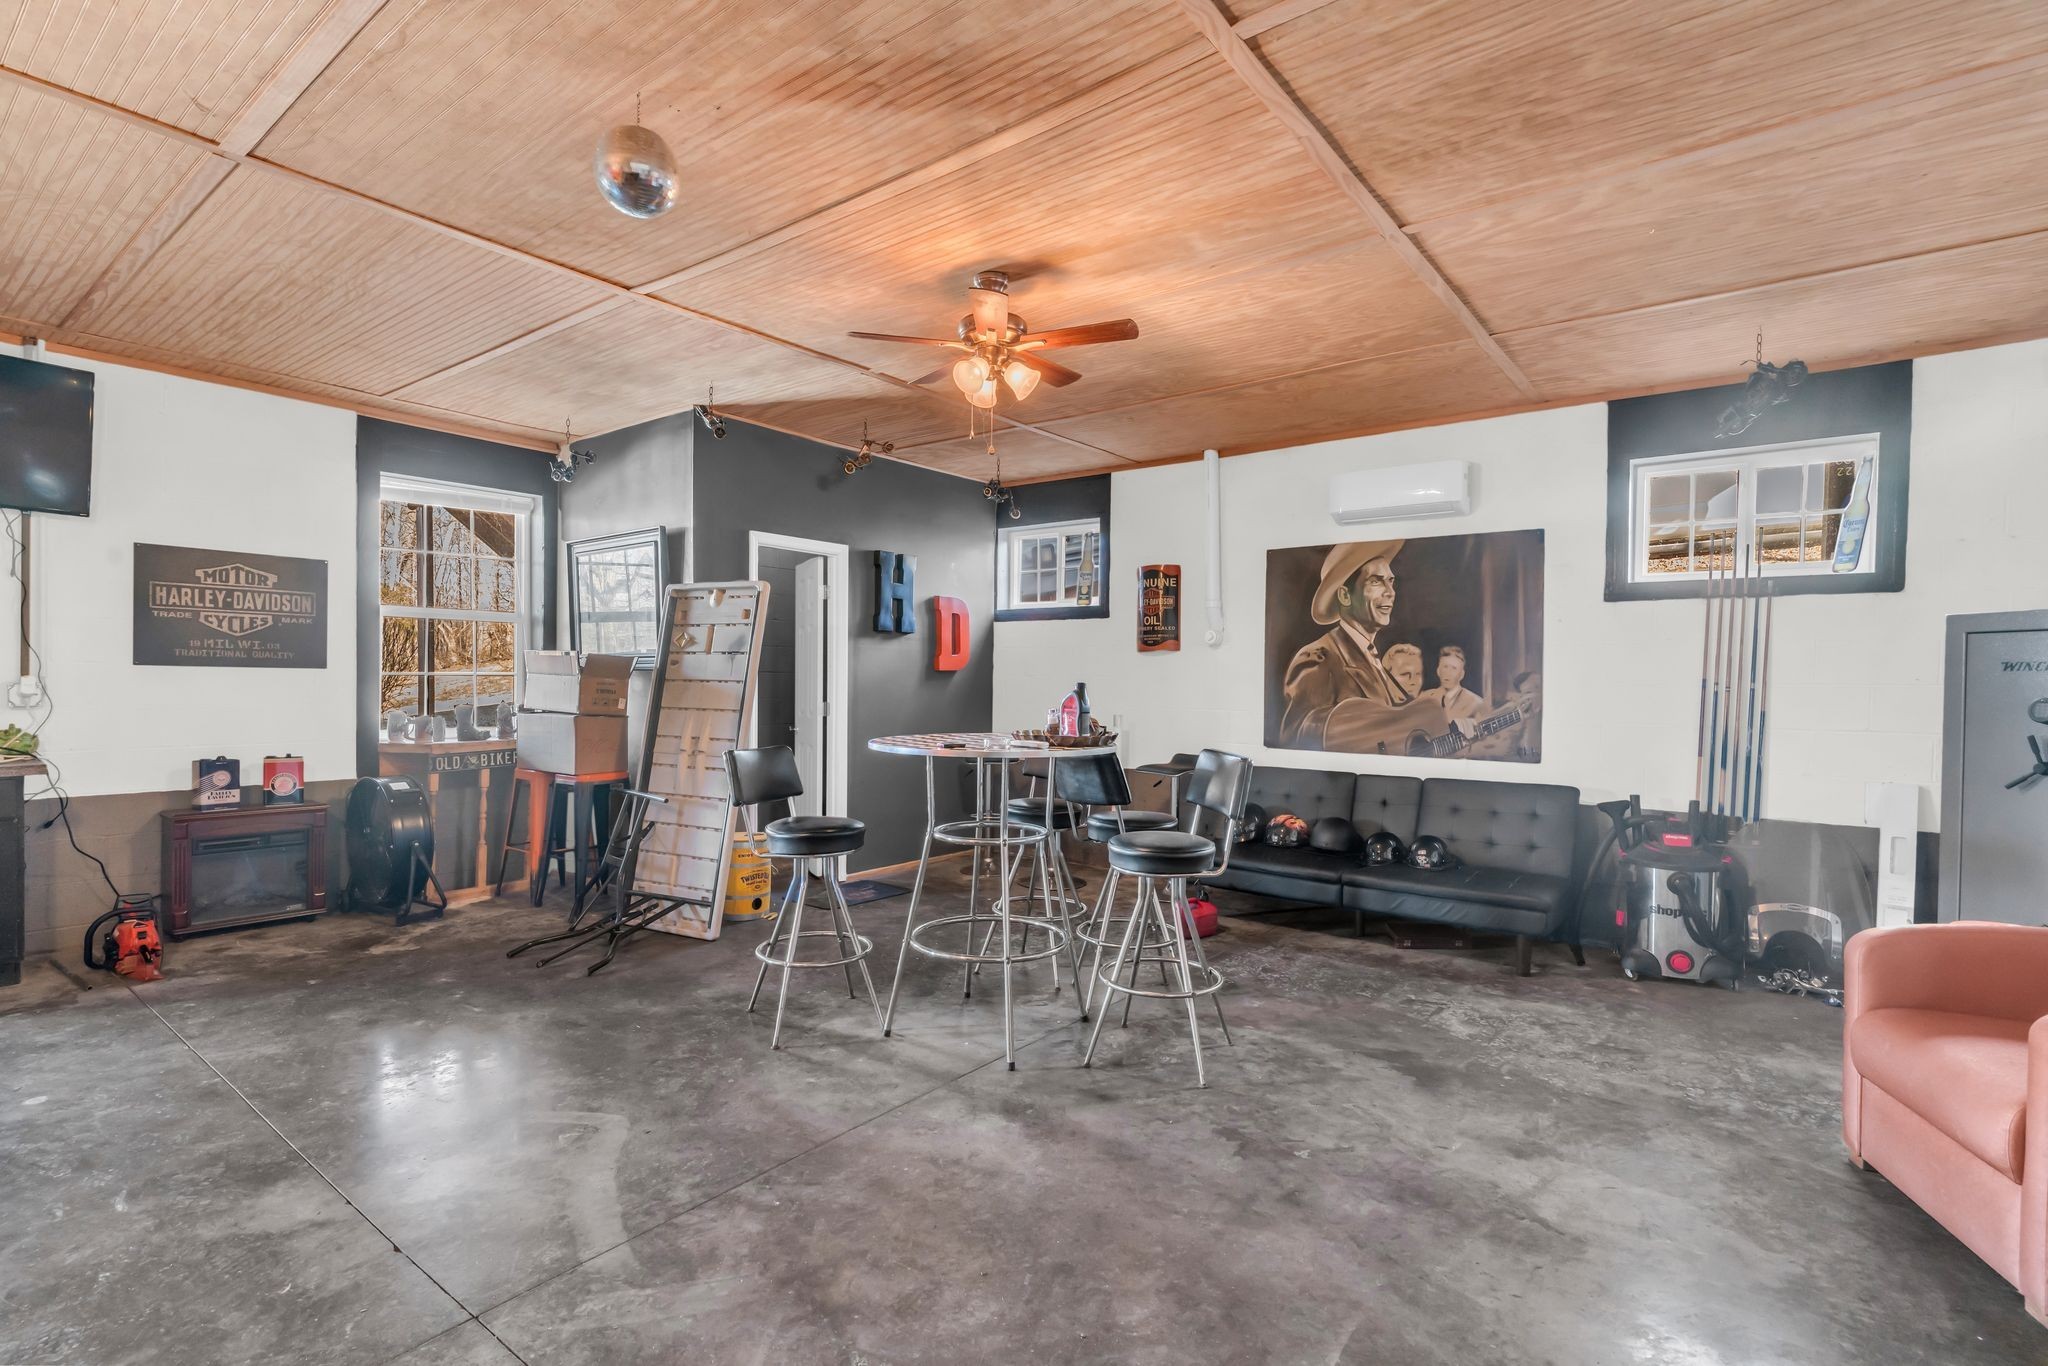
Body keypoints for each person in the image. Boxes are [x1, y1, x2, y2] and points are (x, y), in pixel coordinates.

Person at [1277, 540, 1408, 747]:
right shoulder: (1318, 658)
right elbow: (1296, 743)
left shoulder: (1375, 661)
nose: (1390, 592)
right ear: (1345, 596)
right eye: (1376, 581)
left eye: (1391, 581)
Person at [1416, 645, 1485, 725]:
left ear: (1461, 675)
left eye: (1454, 668)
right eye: (1445, 667)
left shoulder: (1476, 704)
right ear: (1438, 671)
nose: (1448, 673)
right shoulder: (1424, 699)